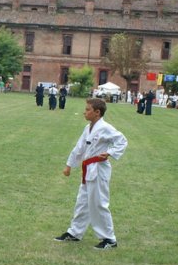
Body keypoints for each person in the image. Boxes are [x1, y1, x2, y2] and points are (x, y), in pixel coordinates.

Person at [54, 98, 128, 249]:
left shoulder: (105, 128)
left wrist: (110, 152)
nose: (84, 112)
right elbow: (79, 148)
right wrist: (69, 165)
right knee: (82, 202)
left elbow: (122, 140)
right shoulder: (87, 128)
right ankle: (75, 232)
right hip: (88, 168)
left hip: (99, 169)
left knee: (99, 203)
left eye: (88, 109)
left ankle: (109, 239)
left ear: (97, 112)